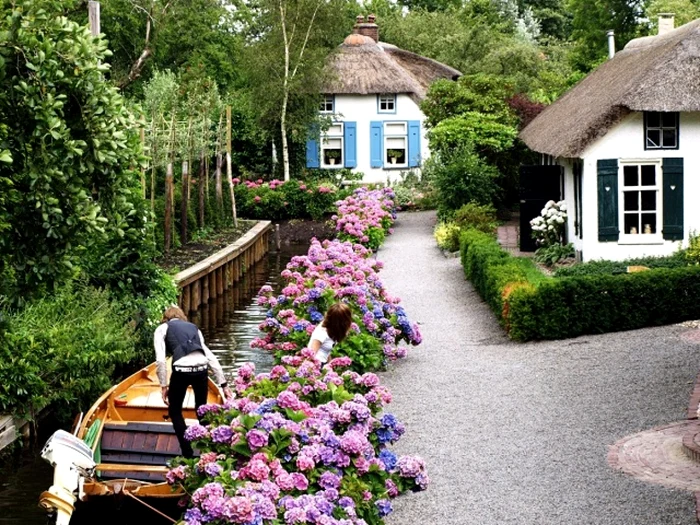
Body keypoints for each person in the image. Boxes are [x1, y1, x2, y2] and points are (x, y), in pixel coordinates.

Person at [154, 306, 233, 458]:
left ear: (166, 317)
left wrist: (163, 386)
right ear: (182, 316)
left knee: (175, 411)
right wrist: (224, 385)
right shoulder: (194, 328)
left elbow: (160, 361)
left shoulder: (162, 328)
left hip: (181, 372)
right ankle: (210, 450)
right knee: (201, 410)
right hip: (201, 369)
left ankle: (187, 453)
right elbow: (209, 356)